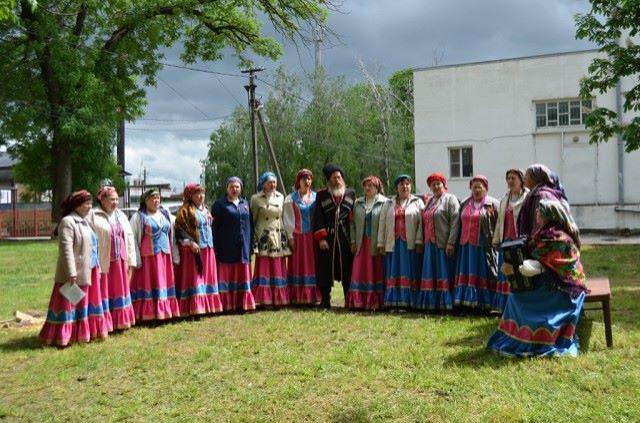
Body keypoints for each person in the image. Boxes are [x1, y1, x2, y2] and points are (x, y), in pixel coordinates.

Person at [487, 199, 588, 357]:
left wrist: (514, 268)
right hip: (556, 282)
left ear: (549, 215)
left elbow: (544, 265)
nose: (536, 213)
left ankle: (530, 339)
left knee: (517, 297)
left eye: (539, 211)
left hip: (563, 290)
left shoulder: (555, 237)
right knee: (516, 292)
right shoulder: (546, 232)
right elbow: (540, 262)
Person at [40, 190, 110, 346]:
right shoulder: (68, 222)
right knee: (70, 304)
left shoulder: (85, 221)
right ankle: (64, 336)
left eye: (91, 203)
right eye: (86, 203)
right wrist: (71, 272)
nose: (90, 206)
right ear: (77, 205)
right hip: (74, 273)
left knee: (86, 303)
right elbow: (66, 249)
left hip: (89, 269)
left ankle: (85, 333)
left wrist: (97, 267)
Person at [88, 185, 137, 331]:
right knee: (105, 291)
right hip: (105, 261)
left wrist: (131, 259)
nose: (115, 202)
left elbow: (129, 238)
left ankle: (120, 321)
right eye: (111, 199)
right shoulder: (93, 215)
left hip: (120, 260)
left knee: (120, 290)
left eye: (116, 199)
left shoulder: (121, 215)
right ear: (102, 200)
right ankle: (105, 323)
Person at [129, 188, 180, 321]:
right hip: (148, 259)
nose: (156, 201)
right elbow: (133, 238)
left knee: (164, 282)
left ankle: (165, 311)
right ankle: (148, 314)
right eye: (152, 198)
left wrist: (175, 255)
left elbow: (173, 234)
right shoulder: (138, 217)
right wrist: (136, 259)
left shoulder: (165, 215)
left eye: (158, 198)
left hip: (164, 257)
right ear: (145, 201)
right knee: (149, 284)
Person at [173, 183, 223, 316]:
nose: (201, 196)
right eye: (197, 194)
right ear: (190, 196)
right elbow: (179, 230)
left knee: (208, 277)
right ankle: (195, 307)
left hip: (208, 248)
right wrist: (190, 242)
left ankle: (208, 305)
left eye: (202, 193)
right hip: (194, 250)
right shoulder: (185, 211)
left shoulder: (205, 209)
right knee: (196, 278)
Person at [452, 175, 500, 311]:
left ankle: (484, 303)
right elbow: (458, 224)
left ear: (486, 188)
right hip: (466, 247)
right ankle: (466, 302)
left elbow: (499, 224)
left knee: (483, 273)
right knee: (466, 273)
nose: (476, 190)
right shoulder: (465, 203)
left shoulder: (493, 204)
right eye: (474, 187)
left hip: (483, 246)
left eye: (480, 187)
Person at [312, 163, 356, 309]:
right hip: (328, 238)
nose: (337, 180)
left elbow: (354, 218)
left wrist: (353, 240)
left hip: (345, 238)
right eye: (334, 177)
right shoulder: (321, 195)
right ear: (329, 180)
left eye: (339, 177)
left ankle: (348, 299)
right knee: (325, 269)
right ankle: (325, 300)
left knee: (347, 268)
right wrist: (322, 238)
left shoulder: (351, 194)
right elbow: (318, 217)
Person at [415, 173, 459, 311]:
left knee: (444, 273)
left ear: (444, 184)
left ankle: (446, 303)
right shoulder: (429, 201)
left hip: (443, 243)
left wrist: (451, 242)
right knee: (431, 273)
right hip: (430, 244)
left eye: (437, 183)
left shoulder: (450, 199)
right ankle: (431, 303)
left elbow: (455, 221)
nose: (435, 186)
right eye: (432, 184)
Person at [379, 174, 424, 309]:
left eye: (407, 184)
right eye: (401, 185)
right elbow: (382, 223)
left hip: (409, 244)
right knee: (394, 272)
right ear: (397, 188)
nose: (404, 187)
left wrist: (419, 240)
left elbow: (422, 223)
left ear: (411, 187)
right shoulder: (388, 203)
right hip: (393, 244)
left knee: (409, 272)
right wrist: (380, 243)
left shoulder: (418, 202)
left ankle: (410, 301)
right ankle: (393, 301)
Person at [212, 176, 256, 312]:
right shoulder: (220, 205)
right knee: (228, 274)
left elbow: (251, 225)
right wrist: (216, 246)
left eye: (237, 187)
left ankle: (242, 304)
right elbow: (214, 227)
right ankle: (227, 305)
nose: (234, 189)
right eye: (232, 187)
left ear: (241, 188)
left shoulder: (245, 204)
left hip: (243, 246)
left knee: (243, 274)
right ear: (227, 189)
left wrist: (252, 244)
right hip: (226, 246)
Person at [250, 172, 291, 307]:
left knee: (278, 266)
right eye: (269, 182)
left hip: (278, 235)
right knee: (265, 267)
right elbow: (254, 219)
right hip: (264, 236)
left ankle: (279, 298)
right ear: (263, 184)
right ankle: (263, 298)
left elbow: (283, 216)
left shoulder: (280, 197)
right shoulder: (255, 199)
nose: (273, 185)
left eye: (274, 182)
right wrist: (256, 238)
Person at [347, 175, 388, 310]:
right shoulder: (357, 203)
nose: (367, 188)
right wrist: (353, 241)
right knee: (359, 270)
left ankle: (376, 302)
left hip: (376, 243)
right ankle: (358, 301)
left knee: (375, 271)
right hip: (361, 243)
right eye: (365, 185)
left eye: (371, 185)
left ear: (377, 188)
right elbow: (352, 224)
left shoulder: (385, 203)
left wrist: (384, 243)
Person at [491, 169, 529, 312]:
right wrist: (496, 240)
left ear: (521, 180)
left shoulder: (527, 198)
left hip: (519, 242)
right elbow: (500, 222)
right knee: (505, 273)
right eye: (508, 178)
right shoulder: (504, 199)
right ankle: (505, 308)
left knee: (518, 275)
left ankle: (518, 307)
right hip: (505, 242)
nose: (510, 181)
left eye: (513, 178)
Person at [283, 169, 320, 305]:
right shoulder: (291, 199)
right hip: (297, 236)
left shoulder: (316, 197)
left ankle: (312, 295)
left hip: (312, 237)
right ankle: (297, 295)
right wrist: (290, 236)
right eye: (304, 179)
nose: (307, 181)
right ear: (299, 181)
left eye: (309, 179)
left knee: (312, 264)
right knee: (298, 264)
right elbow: (287, 219)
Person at [517, 164, 568, 239]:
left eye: (527, 175)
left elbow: (541, 223)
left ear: (535, 177)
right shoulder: (533, 194)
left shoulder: (542, 195)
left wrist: (535, 240)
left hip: (541, 241)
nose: (523, 178)